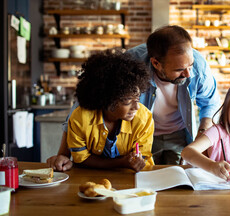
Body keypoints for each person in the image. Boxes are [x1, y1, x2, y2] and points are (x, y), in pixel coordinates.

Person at [47, 25, 221, 170]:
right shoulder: (130, 63)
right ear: (155, 63)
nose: (188, 73)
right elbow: (86, 100)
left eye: (189, 65)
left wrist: (198, 145)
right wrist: (63, 155)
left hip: (179, 134)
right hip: (137, 136)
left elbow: (210, 103)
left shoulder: (197, 65)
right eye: (178, 70)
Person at [63, 51, 154, 171]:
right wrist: (121, 162)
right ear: (107, 99)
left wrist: (137, 162)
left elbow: (143, 158)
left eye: (137, 98)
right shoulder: (81, 118)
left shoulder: (144, 118)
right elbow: (81, 158)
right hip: (88, 177)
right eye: (127, 100)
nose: (136, 107)